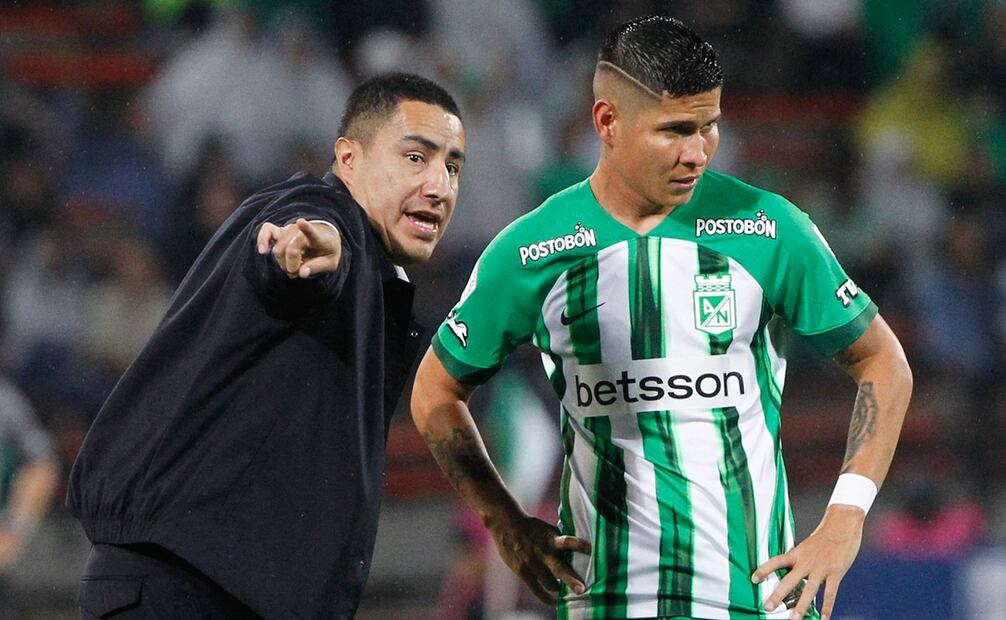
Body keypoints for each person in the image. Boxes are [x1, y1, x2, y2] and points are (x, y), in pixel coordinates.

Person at [411, 16, 912, 620]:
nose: (697, 152)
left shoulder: (767, 228)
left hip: (755, 601)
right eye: (675, 130)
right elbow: (436, 389)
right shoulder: (532, 250)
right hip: (607, 600)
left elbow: (883, 361)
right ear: (607, 123)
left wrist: (846, 517)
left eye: (709, 127)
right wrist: (503, 518)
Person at [68, 72, 465, 619]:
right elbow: (298, 246)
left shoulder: (376, 277)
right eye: (417, 158)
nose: (440, 186)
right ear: (348, 159)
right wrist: (302, 251)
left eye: (452, 166)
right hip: (184, 590)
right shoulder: (317, 213)